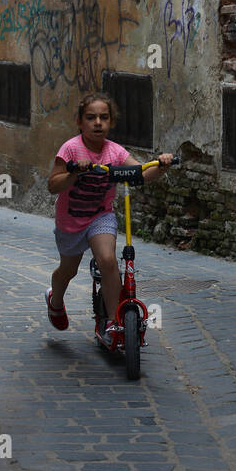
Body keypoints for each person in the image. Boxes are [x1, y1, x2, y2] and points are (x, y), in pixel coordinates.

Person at [45, 91, 172, 345]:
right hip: (71, 220)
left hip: (100, 216)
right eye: (91, 118)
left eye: (104, 117)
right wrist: (74, 173)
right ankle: (55, 300)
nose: (98, 123)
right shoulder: (70, 148)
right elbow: (53, 185)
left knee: (108, 260)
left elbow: (140, 174)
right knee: (68, 271)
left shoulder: (114, 152)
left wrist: (161, 165)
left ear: (111, 122)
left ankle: (115, 323)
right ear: (80, 122)